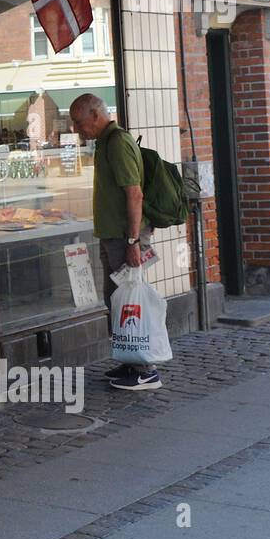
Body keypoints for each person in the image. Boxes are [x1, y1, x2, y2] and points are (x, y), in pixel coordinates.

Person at [70, 93, 161, 391]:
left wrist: (133, 241)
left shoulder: (118, 143)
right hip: (115, 236)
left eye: (79, 122)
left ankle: (145, 369)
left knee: (129, 303)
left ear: (96, 115)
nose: (77, 129)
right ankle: (130, 360)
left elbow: (134, 194)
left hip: (125, 237)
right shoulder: (105, 142)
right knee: (118, 301)